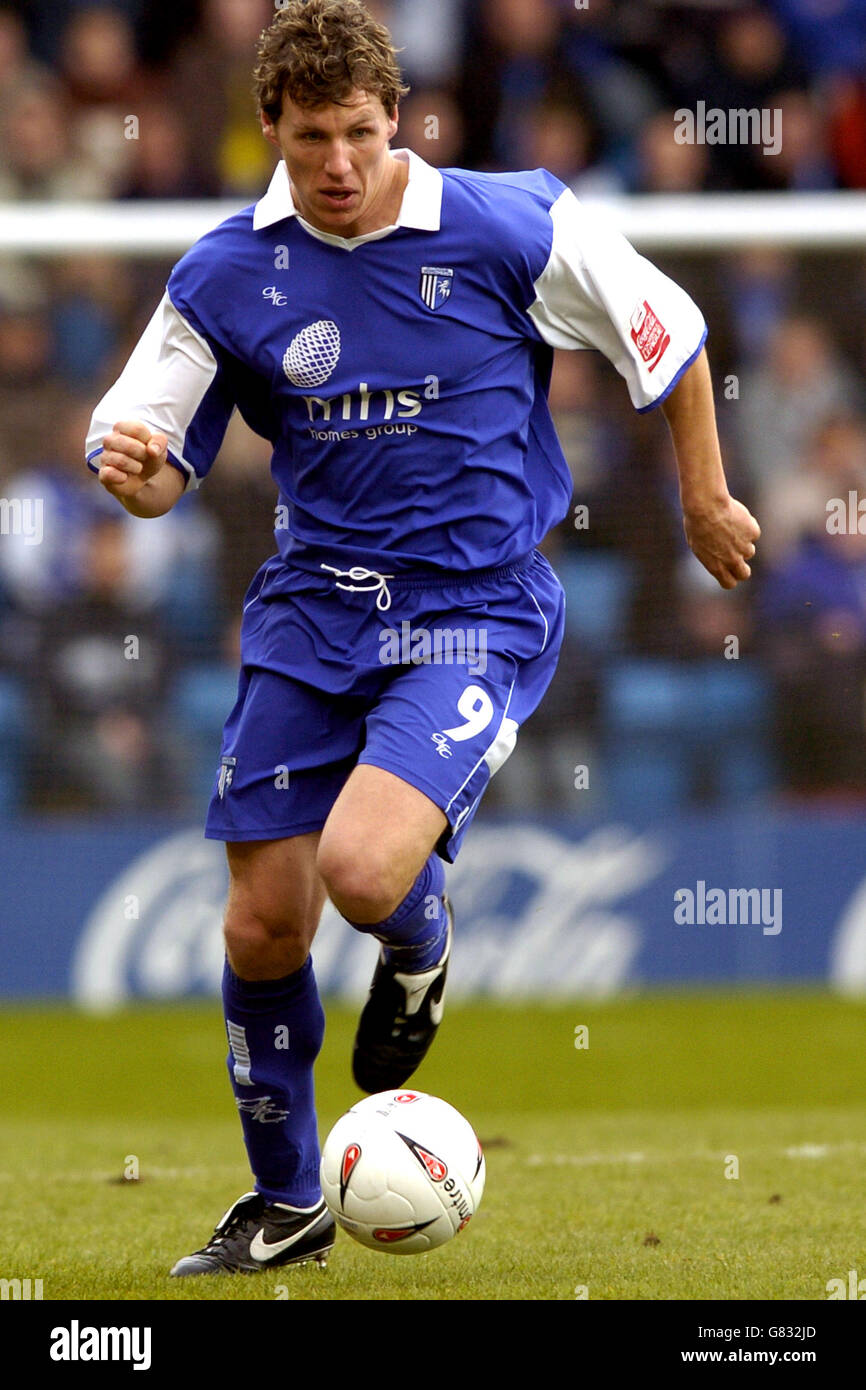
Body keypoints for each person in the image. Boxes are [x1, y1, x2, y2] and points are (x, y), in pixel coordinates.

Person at [85, 0, 759, 1276]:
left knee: (360, 870)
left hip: (472, 608)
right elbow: (154, 452)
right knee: (259, 929)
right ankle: (285, 1205)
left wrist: (706, 498)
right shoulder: (228, 271)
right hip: (308, 613)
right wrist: (135, 481)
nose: (334, 166)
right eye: (305, 143)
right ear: (267, 131)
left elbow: (666, 333)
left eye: (356, 133)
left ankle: (418, 938)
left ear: (395, 119)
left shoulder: (508, 225)